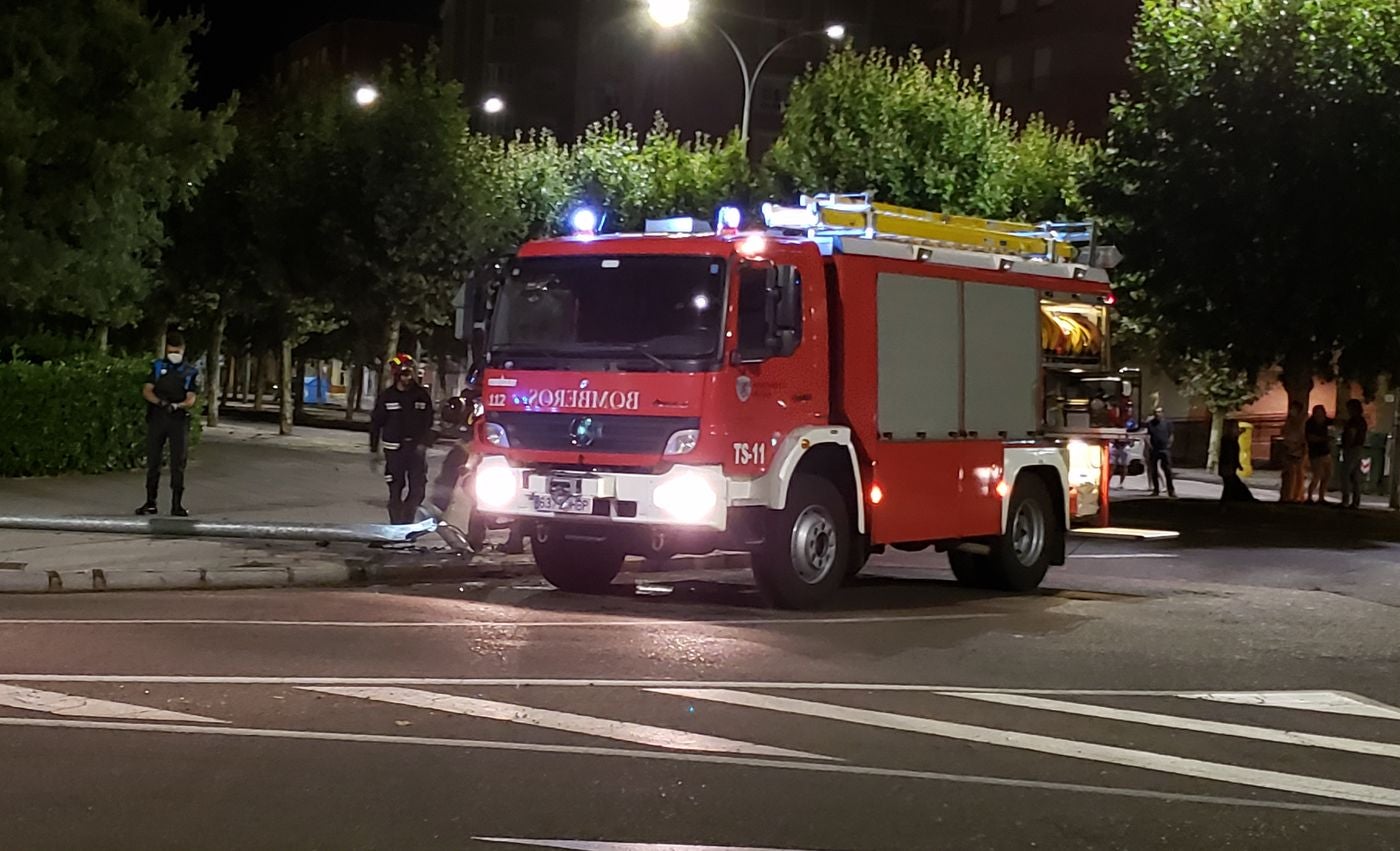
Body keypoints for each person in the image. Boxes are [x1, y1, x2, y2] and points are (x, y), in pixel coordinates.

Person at [135, 333, 199, 517]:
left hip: (178, 419)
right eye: (171, 350)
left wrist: (177, 405)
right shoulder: (157, 366)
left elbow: (191, 398)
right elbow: (147, 390)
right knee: (153, 461)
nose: (173, 353)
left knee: (178, 462)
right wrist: (160, 403)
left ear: (183, 350)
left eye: (176, 350)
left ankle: (176, 504)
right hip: (157, 417)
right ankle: (150, 502)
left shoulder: (189, 371)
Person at [370, 353, 435, 525]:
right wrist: (373, 451)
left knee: (418, 490)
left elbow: (429, 422)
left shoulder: (421, 396)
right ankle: (396, 528)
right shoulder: (387, 397)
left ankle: (407, 523)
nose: (408, 378)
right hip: (394, 451)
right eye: (404, 374)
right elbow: (376, 424)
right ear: (397, 375)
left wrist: (424, 443)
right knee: (395, 490)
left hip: (415, 451)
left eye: (410, 374)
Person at [1339, 398, 1368, 510]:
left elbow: (1352, 433)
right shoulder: (1361, 421)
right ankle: (1356, 501)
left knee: (1345, 474)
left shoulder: (1354, 421)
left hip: (1352, 449)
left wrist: (1346, 446)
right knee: (1355, 476)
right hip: (1358, 448)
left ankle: (1345, 500)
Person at [1219, 420, 1255, 502]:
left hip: (1229, 467)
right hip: (1227, 467)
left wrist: (1238, 465)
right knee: (1231, 485)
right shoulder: (1228, 440)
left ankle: (1229, 501)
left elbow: (1233, 454)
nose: (1237, 430)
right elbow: (1229, 455)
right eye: (1236, 428)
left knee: (1230, 485)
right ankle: (1228, 501)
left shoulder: (1231, 439)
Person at [1304, 404, 1334, 504]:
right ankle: (1309, 497)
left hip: (1326, 451)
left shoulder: (1326, 422)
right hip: (1316, 453)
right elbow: (1310, 438)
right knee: (1317, 475)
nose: (1321, 415)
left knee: (1327, 475)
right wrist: (1323, 439)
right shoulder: (1311, 424)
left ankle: (1321, 497)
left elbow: (1336, 423)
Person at [1279, 401, 1308, 503]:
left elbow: (1303, 437)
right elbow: (1284, 433)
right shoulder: (1289, 422)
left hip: (1297, 450)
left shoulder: (1302, 423)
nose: (1291, 411)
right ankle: (1287, 494)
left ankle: (1295, 496)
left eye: (1294, 409)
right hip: (1289, 449)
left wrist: (1300, 448)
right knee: (1288, 473)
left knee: (1297, 474)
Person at [1145, 407, 1176, 497]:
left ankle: (1171, 491)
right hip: (1154, 449)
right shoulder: (1150, 424)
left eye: (1159, 412)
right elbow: (1147, 435)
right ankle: (1156, 490)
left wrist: (1169, 445)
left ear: (1162, 413)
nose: (1157, 414)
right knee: (1154, 470)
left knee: (1168, 470)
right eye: (1156, 412)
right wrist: (1150, 445)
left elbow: (1171, 435)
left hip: (1165, 449)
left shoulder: (1167, 423)